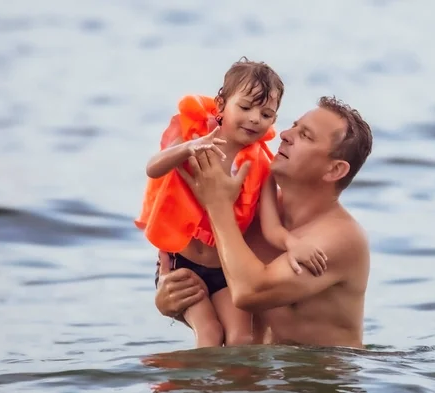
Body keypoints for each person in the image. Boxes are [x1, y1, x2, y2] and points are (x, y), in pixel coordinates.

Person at [135, 57, 327, 348]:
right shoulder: (194, 138)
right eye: (246, 107)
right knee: (210, 333)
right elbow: (153, 168)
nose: (254, 119)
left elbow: (271, 225)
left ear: (273, 121)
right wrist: (188, 148)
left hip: (224, 271)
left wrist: (293, 243)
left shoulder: (261, 166)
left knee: (242, 338)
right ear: (221, 105)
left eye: (266, 114)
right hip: (181, 265)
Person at [155, 96, 374, 349]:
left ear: (334, 170)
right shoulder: (252, 213)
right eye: (293, 125)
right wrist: (169, 300)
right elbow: (206, 275)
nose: (285, 135)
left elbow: (249, 293)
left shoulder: (342, 239)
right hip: (260, 377)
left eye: (306, 135)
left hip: (317, 379)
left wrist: (217, 204)